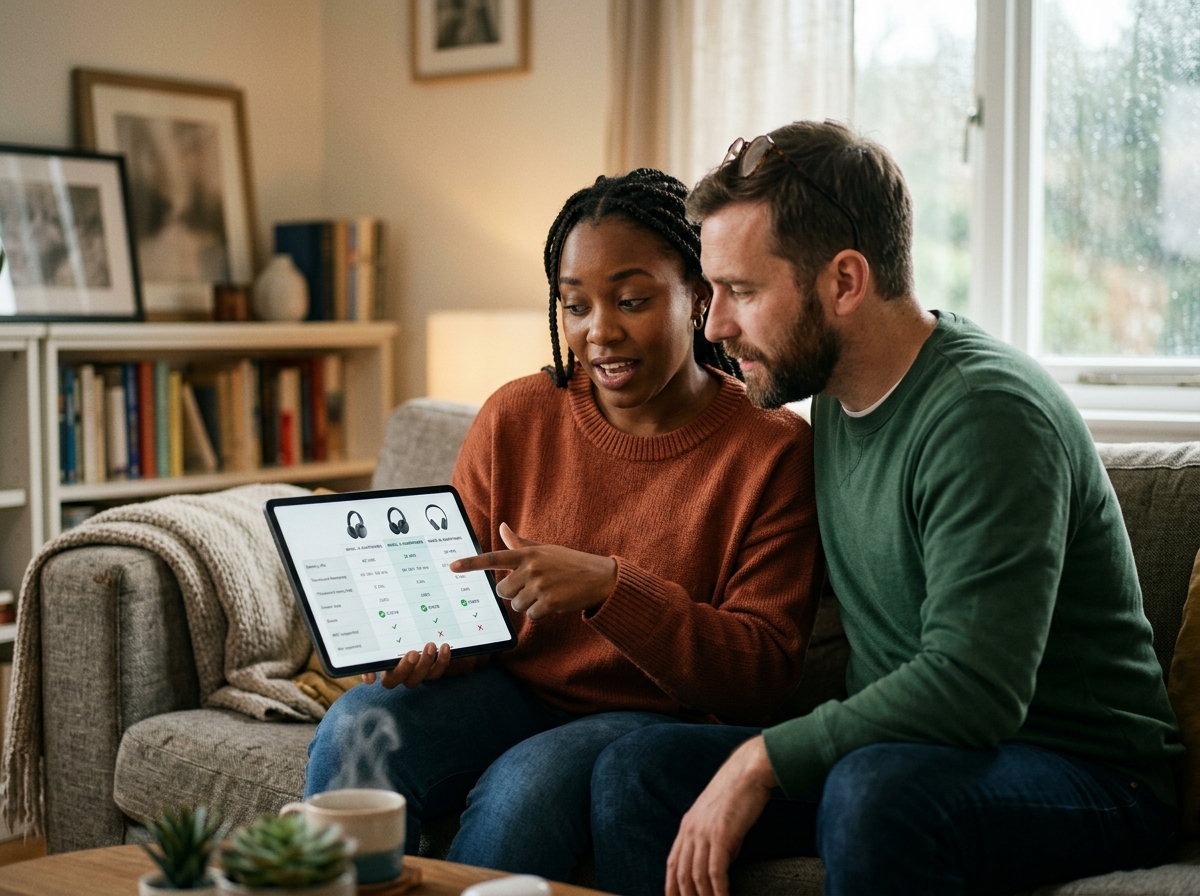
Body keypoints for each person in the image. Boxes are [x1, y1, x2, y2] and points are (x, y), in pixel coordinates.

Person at [590, 122, 1183, 896]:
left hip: (1086, 774)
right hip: (910, 754)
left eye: (742, 291)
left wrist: (763, 758)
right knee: (637, 770)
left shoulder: (985, 414)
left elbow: (975, 692)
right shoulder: (834, 398)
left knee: (872, 792)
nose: (715, 327)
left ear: (844, 282)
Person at [304, 168, 823, 880]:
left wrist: (611, 589)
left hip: (655, 724)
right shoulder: (516, 417)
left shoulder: (771, 449)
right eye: (575, 305)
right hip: (510, 691)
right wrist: (431, 644)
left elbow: (762, 673)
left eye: (632, 300)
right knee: (359, 723)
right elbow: (468, 597)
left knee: (526, 788)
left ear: (699, 296)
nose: (599, 331)